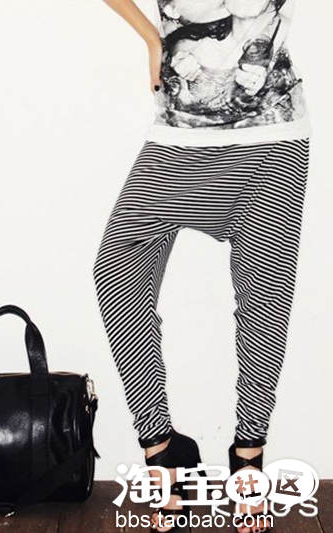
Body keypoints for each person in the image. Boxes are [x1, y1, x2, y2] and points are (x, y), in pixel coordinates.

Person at [93, 0, 310, 531]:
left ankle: (249, 453)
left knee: (264, 303)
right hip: (177, 138)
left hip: (271, 139)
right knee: (117, 270)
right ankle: (162, 446)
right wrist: (151, 37)